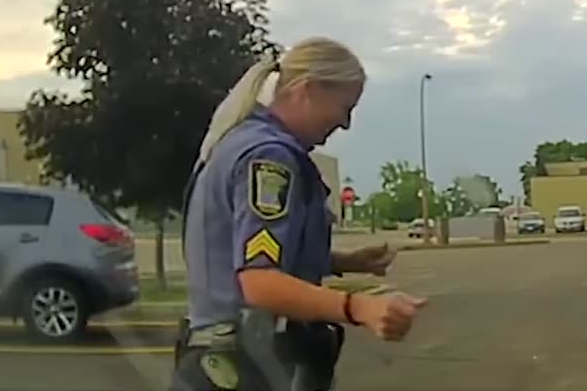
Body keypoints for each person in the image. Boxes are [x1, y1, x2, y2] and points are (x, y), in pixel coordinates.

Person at [170, 37, 426, 391]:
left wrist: (346, 262)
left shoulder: (236, 142)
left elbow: (248, 253)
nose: (345, 123)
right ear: (307, 90)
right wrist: (359, 308)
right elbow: (259, 283)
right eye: (345, 107)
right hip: (247, 365)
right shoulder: (269, 158)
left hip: (217, 363)